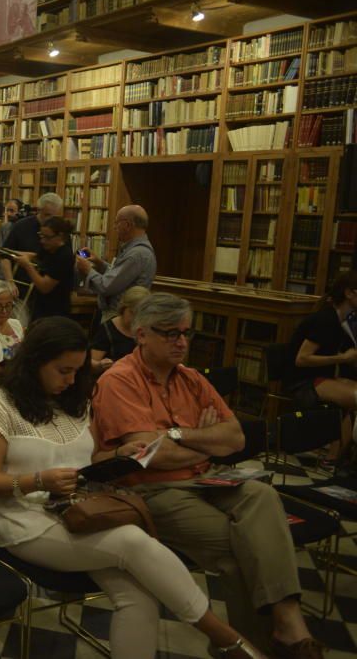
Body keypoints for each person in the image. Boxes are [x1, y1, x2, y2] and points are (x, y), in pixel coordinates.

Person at [0, 316, 262, 659]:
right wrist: (37, 480)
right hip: (23, 522)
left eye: (78, 371)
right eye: (63, 370)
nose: (71, 379)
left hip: (78, 514)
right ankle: (226, 637)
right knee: (132, 541)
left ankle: (226, 641)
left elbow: (88, 459)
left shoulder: (74, 401)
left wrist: (118, 455)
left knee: (139, 597)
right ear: (35, 362)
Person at [93, 293, 322, 658]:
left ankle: (286, 622)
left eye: (186, 333)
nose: (181, 342)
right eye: (169, 333)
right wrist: (205, 442)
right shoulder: (119, 380)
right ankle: (261, 645)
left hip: (209, 479)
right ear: (141, 335)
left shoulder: (193, 379)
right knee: (240, 552)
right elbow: (150, 456)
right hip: (153, 491)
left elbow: (236, 438)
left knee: (263, 495)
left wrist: (177, 434)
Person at [282, 271, 357, 464]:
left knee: (351, 396)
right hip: (302, 381)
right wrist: (341, 358)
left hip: (320, 377)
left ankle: (337, 457)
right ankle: (337, 459)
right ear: (349, 293)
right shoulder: (326, 320)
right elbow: (302, 359)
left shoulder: (343, 320)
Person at [76, 204, 156, 322]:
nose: (114, 227)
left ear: (127, 225)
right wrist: (99, 263)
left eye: (116, 223)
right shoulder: (134, 250)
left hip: (120, 318)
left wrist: (88, 270)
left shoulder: (137, 254)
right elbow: (119, 276)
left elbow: (106, 286)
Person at [8, 215, 75, 321]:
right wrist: (9, 253)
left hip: (55, 312)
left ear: (60, 236)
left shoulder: (64, 256)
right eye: (41, 236)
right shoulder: (49, 248)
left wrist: (27, 266)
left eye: (47, 237)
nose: (43, 241)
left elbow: (44, 287)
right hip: (40, 308)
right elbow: (35, 256)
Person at [0, 192, 64, 293]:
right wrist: (10, 282)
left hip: (50, 287)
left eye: (55, 216)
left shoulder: (60, 230)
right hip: (22, 287)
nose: (52, 220)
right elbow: (4, 254)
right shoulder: (21, 226)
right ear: (39, 210)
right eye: (48, 215)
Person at [90, 286, 150, 374]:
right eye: (132, 313)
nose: (136, 319)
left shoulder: (147, 329)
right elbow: (90, 362)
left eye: (141, 315)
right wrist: (100, 365)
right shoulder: (107, 330)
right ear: (123, 307)